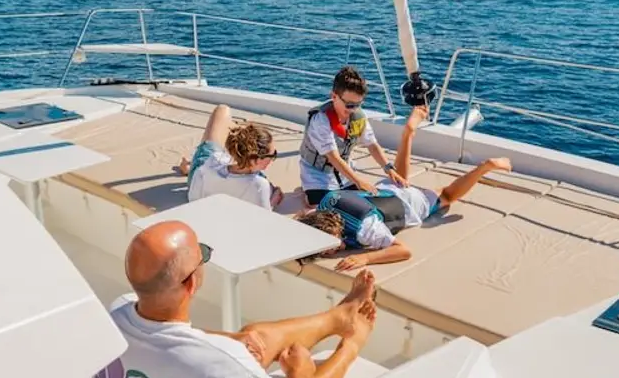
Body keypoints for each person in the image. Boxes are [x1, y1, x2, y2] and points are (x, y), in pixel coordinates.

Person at [87, 221, 378, 378]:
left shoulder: (117, 312)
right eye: (202, 253)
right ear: (191, 283)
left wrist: (233, 340)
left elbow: (167, 337)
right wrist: (298, 374)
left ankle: (338, 317)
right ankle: (351, 340)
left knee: (253, 336)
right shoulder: (223, 370)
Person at [297, 106, 513, 271]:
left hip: (410, 203)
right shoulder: (326, 203)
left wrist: (365, 258)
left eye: (333, 247)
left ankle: (486, 167)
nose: (335, 250)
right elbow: (306, 214)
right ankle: (408, 132)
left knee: (446, 196)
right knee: (399, 180)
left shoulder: (366, 230)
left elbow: (403, 250)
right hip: (382, 190)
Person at [299, 66, 406, 207]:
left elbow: (372, 145)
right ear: (334, 96)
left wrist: (389, 169)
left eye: (358, 104)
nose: (353, 110)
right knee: (324, 206)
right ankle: (309, 192)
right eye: (349, 105)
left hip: (343, 172)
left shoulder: (357, 116)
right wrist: (359, 181)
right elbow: (334, 157)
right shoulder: (320, 120)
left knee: (360, 202)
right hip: (318, 174)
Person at [178, 104, 284, 210]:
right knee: (223, 111)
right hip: (200, 174)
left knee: (223, 110)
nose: (273, 159)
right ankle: (188, 167)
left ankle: (189, 167)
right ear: (256, 160)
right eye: (273, 155)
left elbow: (194, 198)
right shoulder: (259, 185)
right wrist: (273, 200)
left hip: (199, 176)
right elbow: (263, 217)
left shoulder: (212, 162)